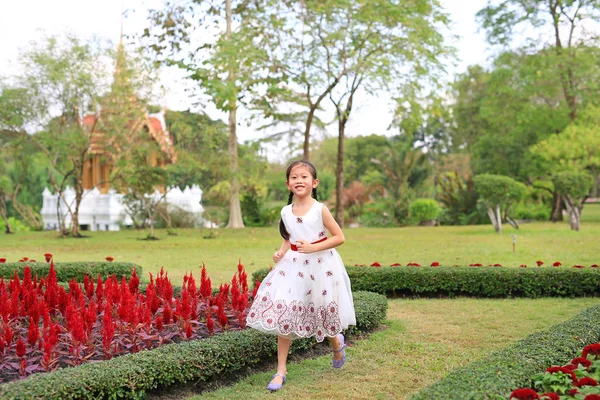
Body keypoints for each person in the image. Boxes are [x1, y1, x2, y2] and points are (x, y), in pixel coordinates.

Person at [246, 160, 356, 392]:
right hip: (292, 268)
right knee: (285, 312)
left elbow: (339, 237)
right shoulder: (286, 211)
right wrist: (281, 251)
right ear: (288, 184)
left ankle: (336, 342)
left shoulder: (320, 209)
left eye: (304, 177)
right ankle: (281, 371)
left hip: (320, 266)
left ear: (314, 183)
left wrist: (314, 248)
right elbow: (289, 236)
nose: (299, 180)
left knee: (321, 311)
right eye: (294, 177)